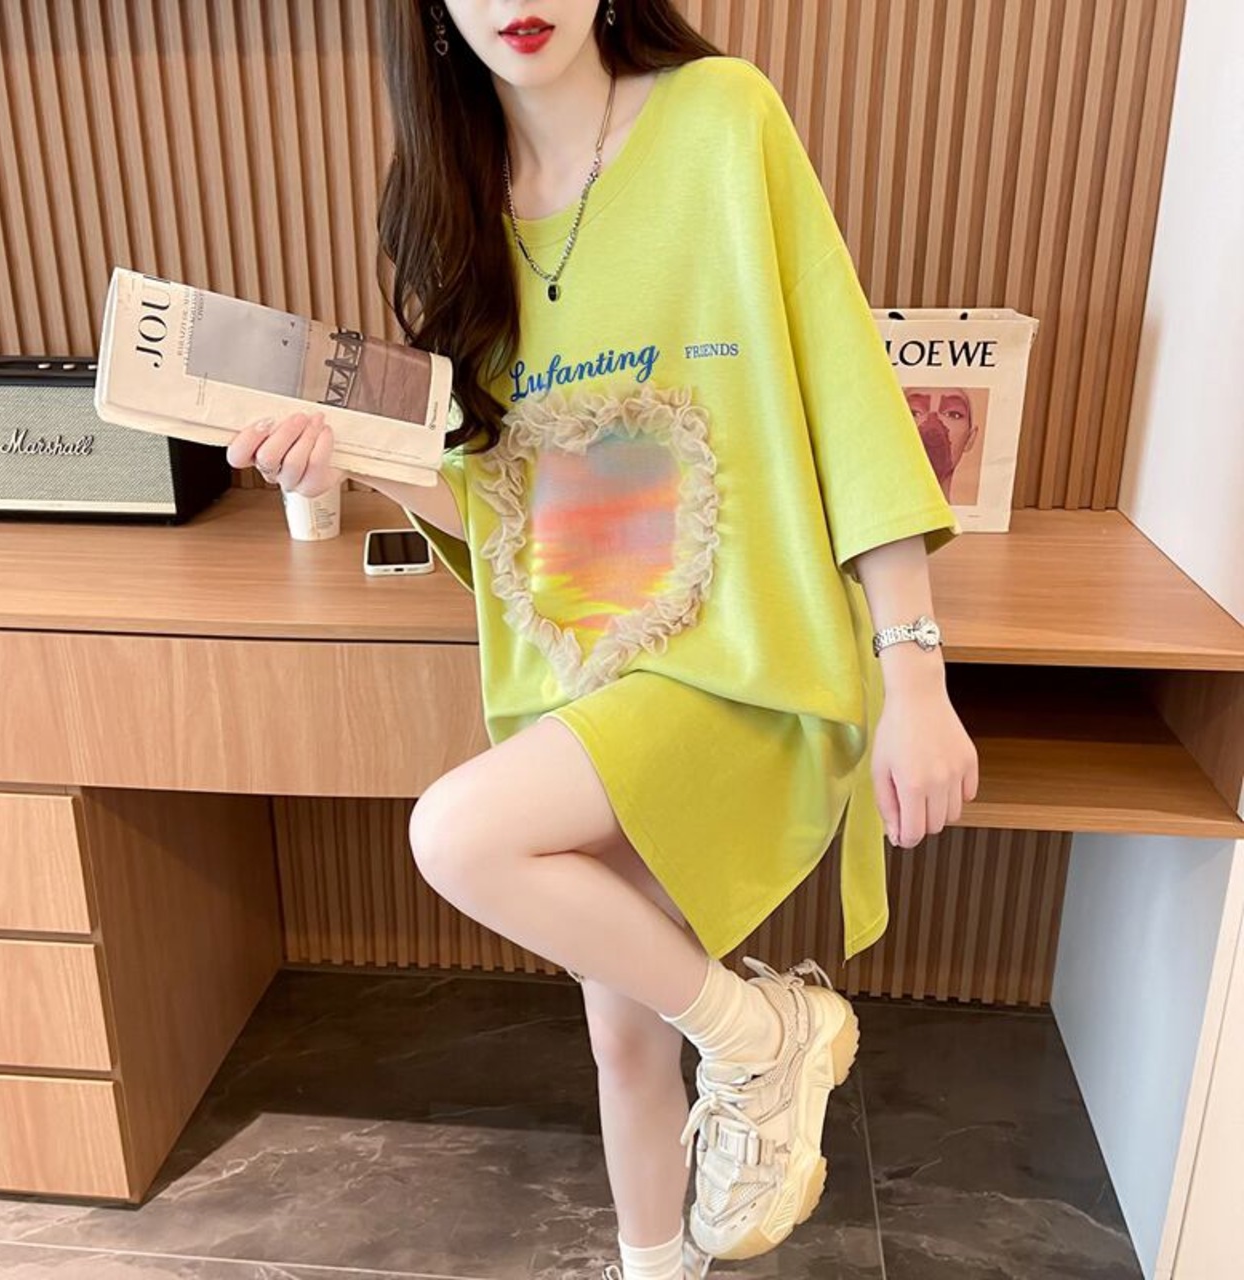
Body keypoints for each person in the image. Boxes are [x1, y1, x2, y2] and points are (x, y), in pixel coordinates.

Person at [226, 4, 980, 1278]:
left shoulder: (721, 118)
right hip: (589, 666)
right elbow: (504, 492)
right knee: (623, 1037)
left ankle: (759, 1034)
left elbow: (846, 393)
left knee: (456, 832)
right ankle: (657, 1256)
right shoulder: (447, 201)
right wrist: (351, 460)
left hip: (743, 659)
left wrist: (914, 670)